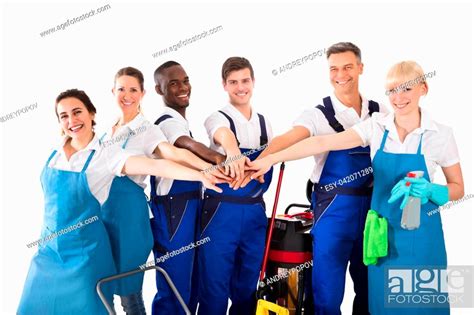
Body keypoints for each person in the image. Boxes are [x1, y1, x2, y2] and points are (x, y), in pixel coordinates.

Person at [247, 61, 464, 315]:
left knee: (422, 306)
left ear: (423, 88)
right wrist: (270, 159)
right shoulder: (377, 126)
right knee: (382, 307)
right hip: (383, 239)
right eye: (392, 90)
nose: (399, 97)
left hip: (423, 236)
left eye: (406, 89)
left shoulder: (440, 134)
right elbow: (321, 142)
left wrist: (431, 191)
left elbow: (458, 187)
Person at [17, 89, 221, 315]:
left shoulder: (105, 155)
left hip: (84, 256)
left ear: (92, 114)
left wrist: (202, 174)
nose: (71, 120)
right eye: (64, 116)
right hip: (48, 253)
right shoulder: (53, 153)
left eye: (77, 112)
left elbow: (156, 165)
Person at [241, 42, 387, 314]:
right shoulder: (318, 115)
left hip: (373, 213)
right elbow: (289, 138)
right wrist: (260, 160)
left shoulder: (380, 112)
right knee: (327, 295)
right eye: (334, 68)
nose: (340, 74)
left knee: (371, 292)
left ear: (361, 68)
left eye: (347, 67)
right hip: (333, 212)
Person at [101, 67, 225, 315]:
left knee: (129, 286)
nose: (127, 95)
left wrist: (206, 169)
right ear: (112, 91)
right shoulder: (107, 130)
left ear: (144, 93)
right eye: (122, 89)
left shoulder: (147, 129)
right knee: (103, 282)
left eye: (133, 89)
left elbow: (172, 154)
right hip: (103, 214)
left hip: (129, 215)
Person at [150, 61, 229, 315]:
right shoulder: (166, 120)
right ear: (158, 90)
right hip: (174, 211)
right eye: (173, 83)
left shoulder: (180, 120)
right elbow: (183, 144)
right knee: (175, 286)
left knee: (192, 285)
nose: (183, 87)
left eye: (185, 80)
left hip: (190, 207)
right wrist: (215, 157)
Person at [198, 57, 273, 315]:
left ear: (253, 81)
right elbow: (224, 136)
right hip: (220, 215)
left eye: (245, 80)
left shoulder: (264, 123)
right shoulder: (216, 118)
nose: (240, 88)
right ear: (224, 85)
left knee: (247, 289)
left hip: (254, 215)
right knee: (214, 288)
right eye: (233, 82)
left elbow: (270, 160)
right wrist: (233, 152)